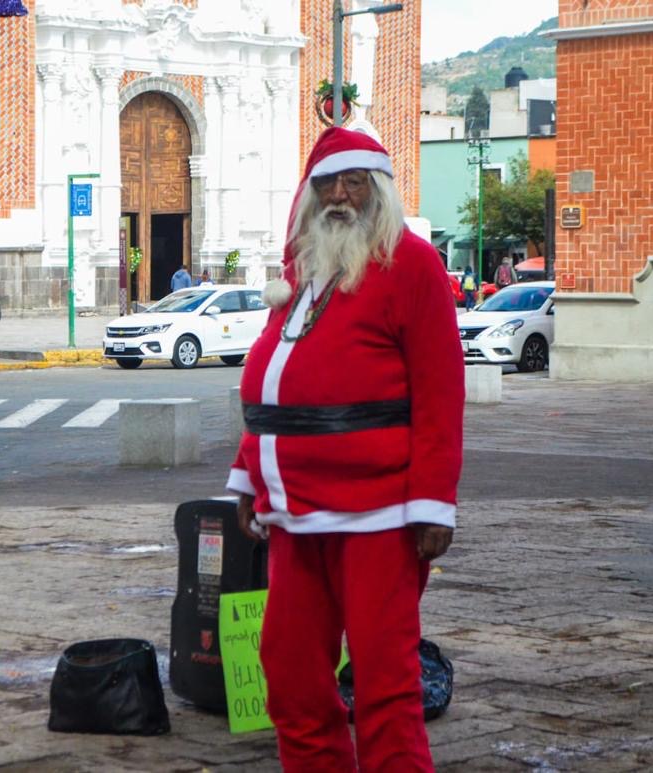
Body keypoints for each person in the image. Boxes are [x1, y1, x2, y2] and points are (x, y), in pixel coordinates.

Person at [227, 127, 463, 771]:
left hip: (380, 515)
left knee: (386, 685)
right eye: (326, 183)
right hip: (295, 514)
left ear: (377, 189)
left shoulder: (413, 266)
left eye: (352, 182)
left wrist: (434, 503)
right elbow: (274, 384)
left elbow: (441, 393)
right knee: (292, 675)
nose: (338, 196)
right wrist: (248, 476)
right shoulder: (304, 271)